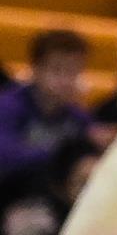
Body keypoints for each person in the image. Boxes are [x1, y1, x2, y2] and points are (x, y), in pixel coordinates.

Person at [0, 32, 95, 188]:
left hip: (49, 196)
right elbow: (6, 156)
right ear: (36, 69)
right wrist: (63, 150)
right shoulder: (8, 106)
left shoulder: (77, 115)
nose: (65, 81)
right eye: (57, 70)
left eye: (73, 72)